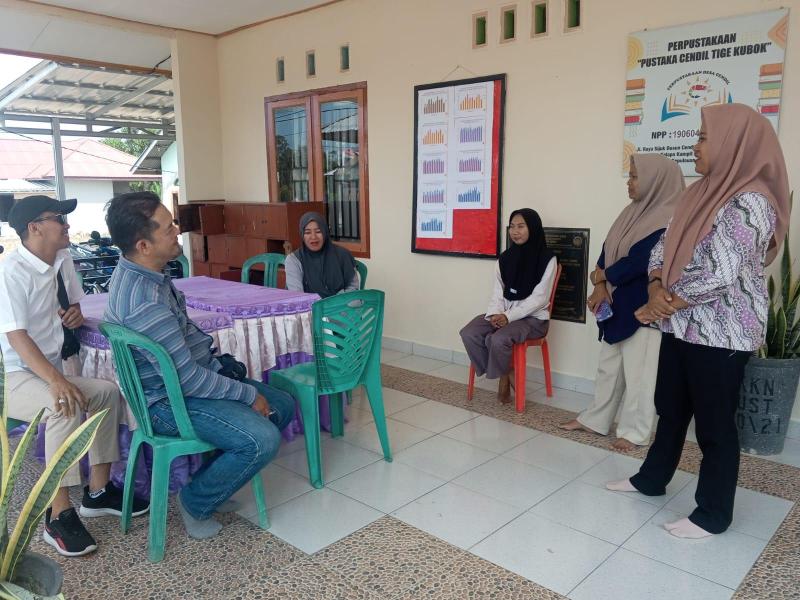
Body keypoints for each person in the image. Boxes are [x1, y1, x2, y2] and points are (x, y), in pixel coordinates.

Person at [607, 104, 790, 539]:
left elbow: (721, 271)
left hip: (722, 333)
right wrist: (654, 286)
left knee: (714, 426)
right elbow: (661, 247)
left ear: (733, 143)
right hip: (681, 326)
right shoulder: (696, 194)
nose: (696, 145)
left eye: (704, 137)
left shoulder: (752, 202)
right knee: (670, 411)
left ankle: (712, 514)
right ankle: (651, 480)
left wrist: (661, 305)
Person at [103, 192, 296, 540]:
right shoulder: (144, 302)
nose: (177, 230)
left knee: (282, 404)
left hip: (184, 385)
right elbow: (186, 379)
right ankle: (196, 501)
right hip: (167, 402)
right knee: (262, 437)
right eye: (167, 227)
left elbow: (188, 362)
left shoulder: (147, 275)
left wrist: (229, 377)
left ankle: (211, 482)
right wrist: (246, 394)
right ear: (144, 245)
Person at [0, 195, 149, 558]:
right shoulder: (10, 272)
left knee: (105, 392)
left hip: (44, 369)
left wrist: (75, 315)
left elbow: (74, 304)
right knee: (62, 402)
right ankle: (58, 513)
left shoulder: (62, 259)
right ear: (34, 228)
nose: (67, 225)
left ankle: (97, 492)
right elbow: (16, 337)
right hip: (13, 375)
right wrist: (56, 380)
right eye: (58, 219)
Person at [560, 154, 684, 450]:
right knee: (609, 367)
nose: (629, 183)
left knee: (640, 375)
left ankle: (634, 432)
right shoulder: (631, 213)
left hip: (644, 306)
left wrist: (601, 276)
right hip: (615, 302)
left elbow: (639, 262)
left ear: (656, 181)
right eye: (629, 176)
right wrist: (600, 283)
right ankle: (596, 420)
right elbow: (607, 251)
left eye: (634, 177)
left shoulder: (670, 218)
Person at [460, 209, 557, 403]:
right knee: (469, 332)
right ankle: (505, 371)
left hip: (533, 319)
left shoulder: (548, 259)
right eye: (512, 226)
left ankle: (503, 376)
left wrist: (508, 317)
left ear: (533, 228)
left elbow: (539, 298)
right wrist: (496, 314)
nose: (515, 231)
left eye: (521, 226)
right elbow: (498, 292)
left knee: (498, 339)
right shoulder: (505, 258)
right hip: (505, 314)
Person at [284, 212, 359, 296]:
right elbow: (297, 296)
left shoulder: (343, 255)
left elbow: (353, 288)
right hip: (310, 307)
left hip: (340, 305)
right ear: (302, 235)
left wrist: (335, 304)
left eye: (318, 231)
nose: (313, 237)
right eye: (308, 232)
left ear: (325, 232)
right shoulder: (294, 260)